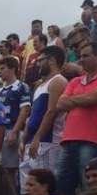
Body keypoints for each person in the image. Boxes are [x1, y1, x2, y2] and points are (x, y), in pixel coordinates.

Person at [55, 41, 97, 195]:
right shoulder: (75, 81)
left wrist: (73, 100)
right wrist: (84, 99)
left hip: (92, 139)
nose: (81, 59)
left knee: (90, 186)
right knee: (61, 186)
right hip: (68, 139)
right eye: (80, 56)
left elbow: (95, 97)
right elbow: (60, 104)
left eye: (86, 56)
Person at [21, 46, 68, 185]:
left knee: (44, 186)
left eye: (40, 60)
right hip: (33, 141)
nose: (37, 63)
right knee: (29, 187)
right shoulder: (39, 86)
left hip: (47, 141)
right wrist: (24, 139)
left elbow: (51, 111)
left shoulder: (58, 81)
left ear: (52, 60)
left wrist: (37, 137)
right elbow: (33, 115)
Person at [0, 56, 32, 177]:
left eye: (2, 68)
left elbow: (25, 110)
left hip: (13, 130)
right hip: (0, 132)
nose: (0, 71)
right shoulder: (0, 90)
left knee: (10, 170)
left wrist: (14, 131)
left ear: (12, 69)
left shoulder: (22, 87)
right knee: (1, 169)